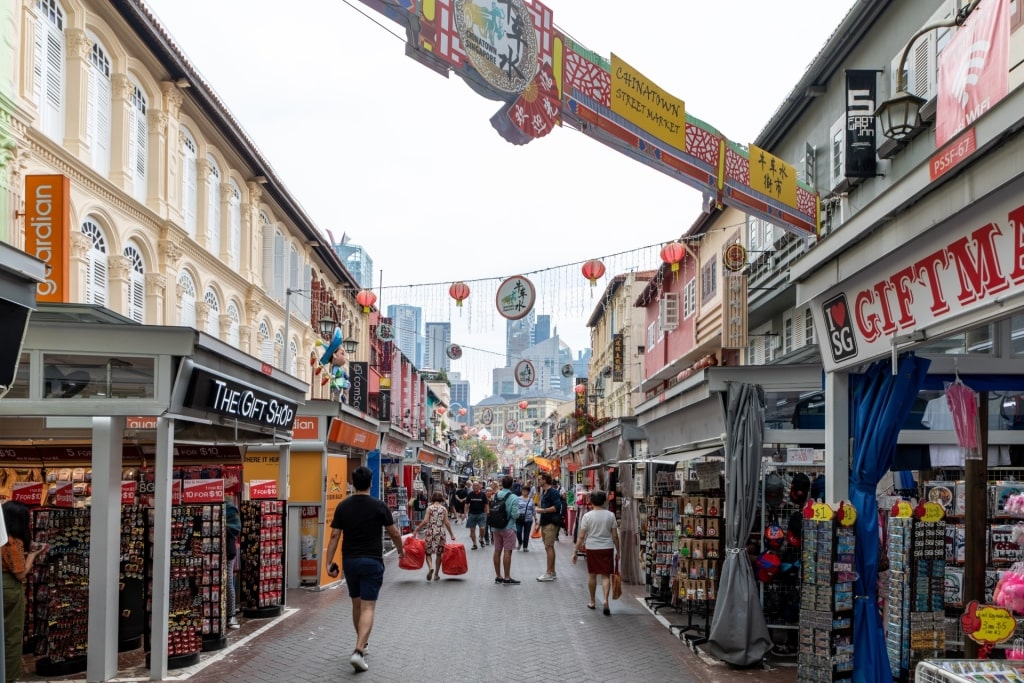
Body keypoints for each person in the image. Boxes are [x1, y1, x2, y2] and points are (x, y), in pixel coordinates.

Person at [325, 466, 405, 673]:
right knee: (368, 607)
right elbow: (394, 533)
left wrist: (328, 562)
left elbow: (334, 536)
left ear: (353, 483)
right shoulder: (379, 506)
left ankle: (362, 644)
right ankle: (359, 651)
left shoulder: (343, 506)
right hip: (371, 560)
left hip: (350, 561)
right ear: (371, 483)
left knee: (356, 604)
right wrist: (401, 551)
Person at [2, 501, 47, 682]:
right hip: (9, 586)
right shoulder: (11, 542)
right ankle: (10, 677)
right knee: (12, 635)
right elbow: (20, 574)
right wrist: (33, 556)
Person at [571, 490, 620, 615]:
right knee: (605, 575)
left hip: (592, 547)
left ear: (591, 501)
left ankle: (592, 601)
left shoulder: (587, 516)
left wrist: (575, 551)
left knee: (592, 575)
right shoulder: (610, 515)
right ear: (604, 501)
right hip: (607, 547)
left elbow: (581, 536)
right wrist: (618, 550)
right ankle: (605, 600)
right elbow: (615, 536)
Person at [413, 491, 455, 581]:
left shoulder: (429, 508)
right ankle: (436, 574)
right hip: (441, 532)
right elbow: (447, 523)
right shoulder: (444, 509)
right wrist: (451, 534)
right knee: (439, 553)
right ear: (441, 499)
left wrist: (417, 529)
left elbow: (425, 521)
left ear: (432, 498)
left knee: (428, 553)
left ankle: (430, 567)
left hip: (431, 531)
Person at [488, 475, 521, 585]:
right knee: (507, 552)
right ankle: (507, 578)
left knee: (497, 551)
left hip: (495, 528)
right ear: (511, 485)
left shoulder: (495, 495)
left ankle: (498, 576)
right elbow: (515, 515)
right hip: (508, 528)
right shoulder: (514, 497)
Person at [536, 472, 561, 581]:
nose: (538, 481)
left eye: (540, 479)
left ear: (545, 480)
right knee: (549, 547)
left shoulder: (553, 492)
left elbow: (556, 507)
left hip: (551, 522)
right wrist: (539, 523)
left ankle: (549, 572)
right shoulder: (544, 492)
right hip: (545, 522)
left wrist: (543, 510)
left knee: (548, 547)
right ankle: (552, 571)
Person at [224, 496, 242, 629]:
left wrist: (220, 527)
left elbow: (236, 528)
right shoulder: (230, 507)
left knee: (228, 581)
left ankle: (231, 615)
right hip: (210, 551)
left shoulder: (229, 508)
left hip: (227, 550)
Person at [464, 480, 488, 550]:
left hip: (481, 514)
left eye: (476, 486)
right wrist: (465, 512)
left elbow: (486, 504)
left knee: (482, 528)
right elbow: (466, 504)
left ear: (479, 486)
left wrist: (487, 512)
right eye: (473, 486)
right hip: (472, 514)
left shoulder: (483, 494)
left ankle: (481, 538)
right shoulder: (470, 494)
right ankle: (474, 544)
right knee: (472, 530)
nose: (475, 487)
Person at [515, 485, 535, 551]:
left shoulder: (531, 500)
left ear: (528, 492)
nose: (524, 492)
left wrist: (536, 519)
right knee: (518, 531)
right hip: (519, 518)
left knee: (526, 534)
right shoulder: (518, 499)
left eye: (525, 491)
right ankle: (520, 542)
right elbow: (515, 507)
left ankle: (525, 546)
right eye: (523, 491)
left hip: (528, 519)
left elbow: (533, 510)